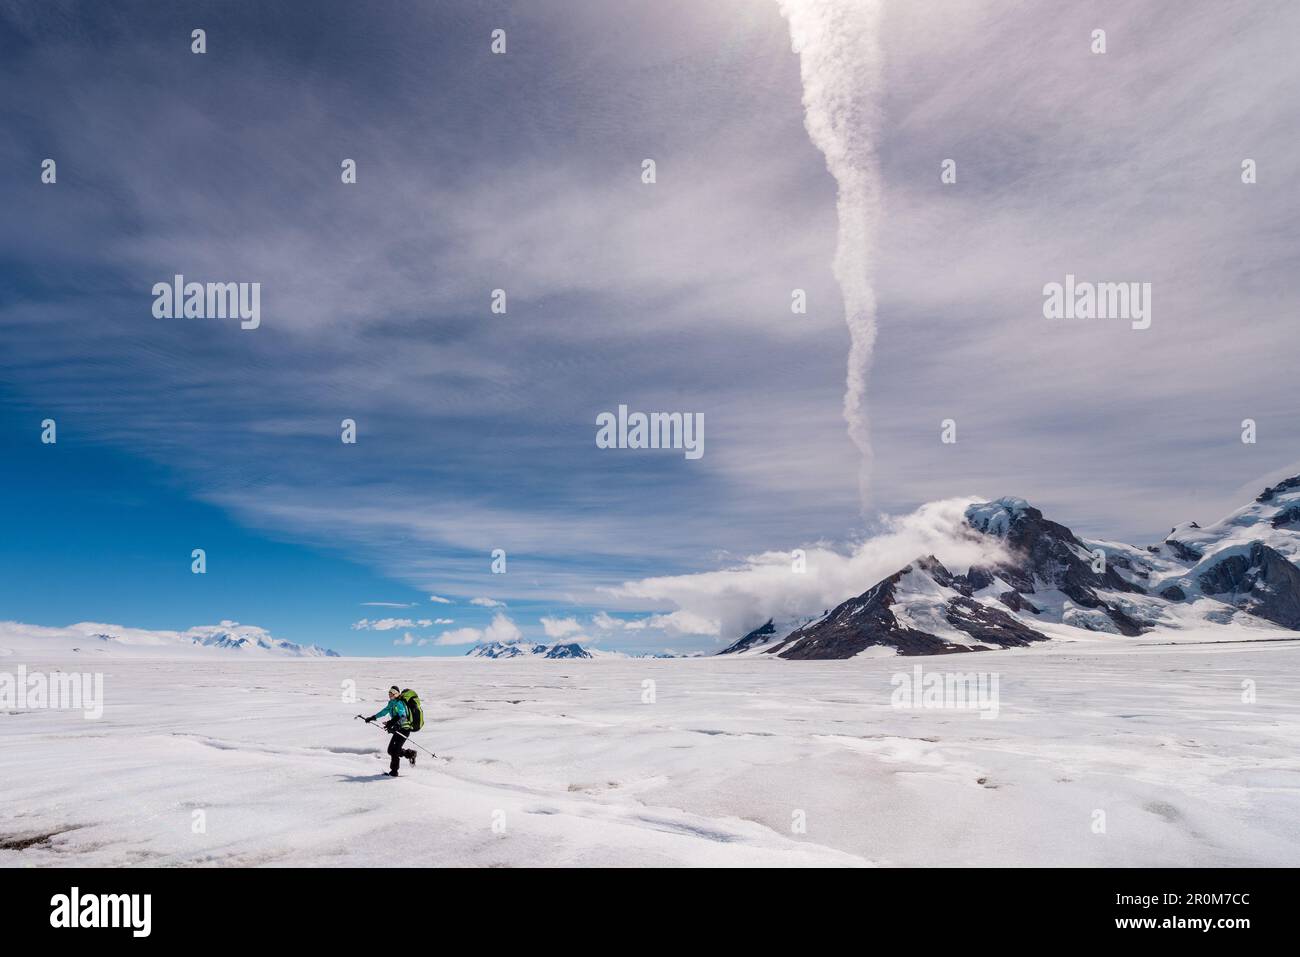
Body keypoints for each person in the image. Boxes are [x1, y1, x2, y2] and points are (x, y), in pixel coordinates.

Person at [362, 686, 417, 777]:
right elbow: (384, 712)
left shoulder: (399, 703)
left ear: (396, 694)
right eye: (389, 693)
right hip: (398, 729)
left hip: (404, 729)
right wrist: (373, 717)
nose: (390, 695)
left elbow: (403, 717)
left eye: (391, 693)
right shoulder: (391, 703)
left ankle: (394, 772)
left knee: (395, 751)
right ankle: (410, 754)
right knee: (391, 750)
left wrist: (396, 725)